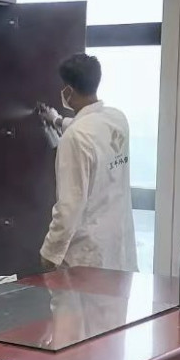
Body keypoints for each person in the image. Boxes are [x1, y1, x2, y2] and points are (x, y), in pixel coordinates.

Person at [38, 53, 137, 272]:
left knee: (83, 295)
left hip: (88, 250)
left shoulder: (75, 137)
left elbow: (69, 205)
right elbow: (91, 130)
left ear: (68, 91)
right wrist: (56, 120)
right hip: (117, 238)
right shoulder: (117, 118)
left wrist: (50, 252)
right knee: (116, 293)